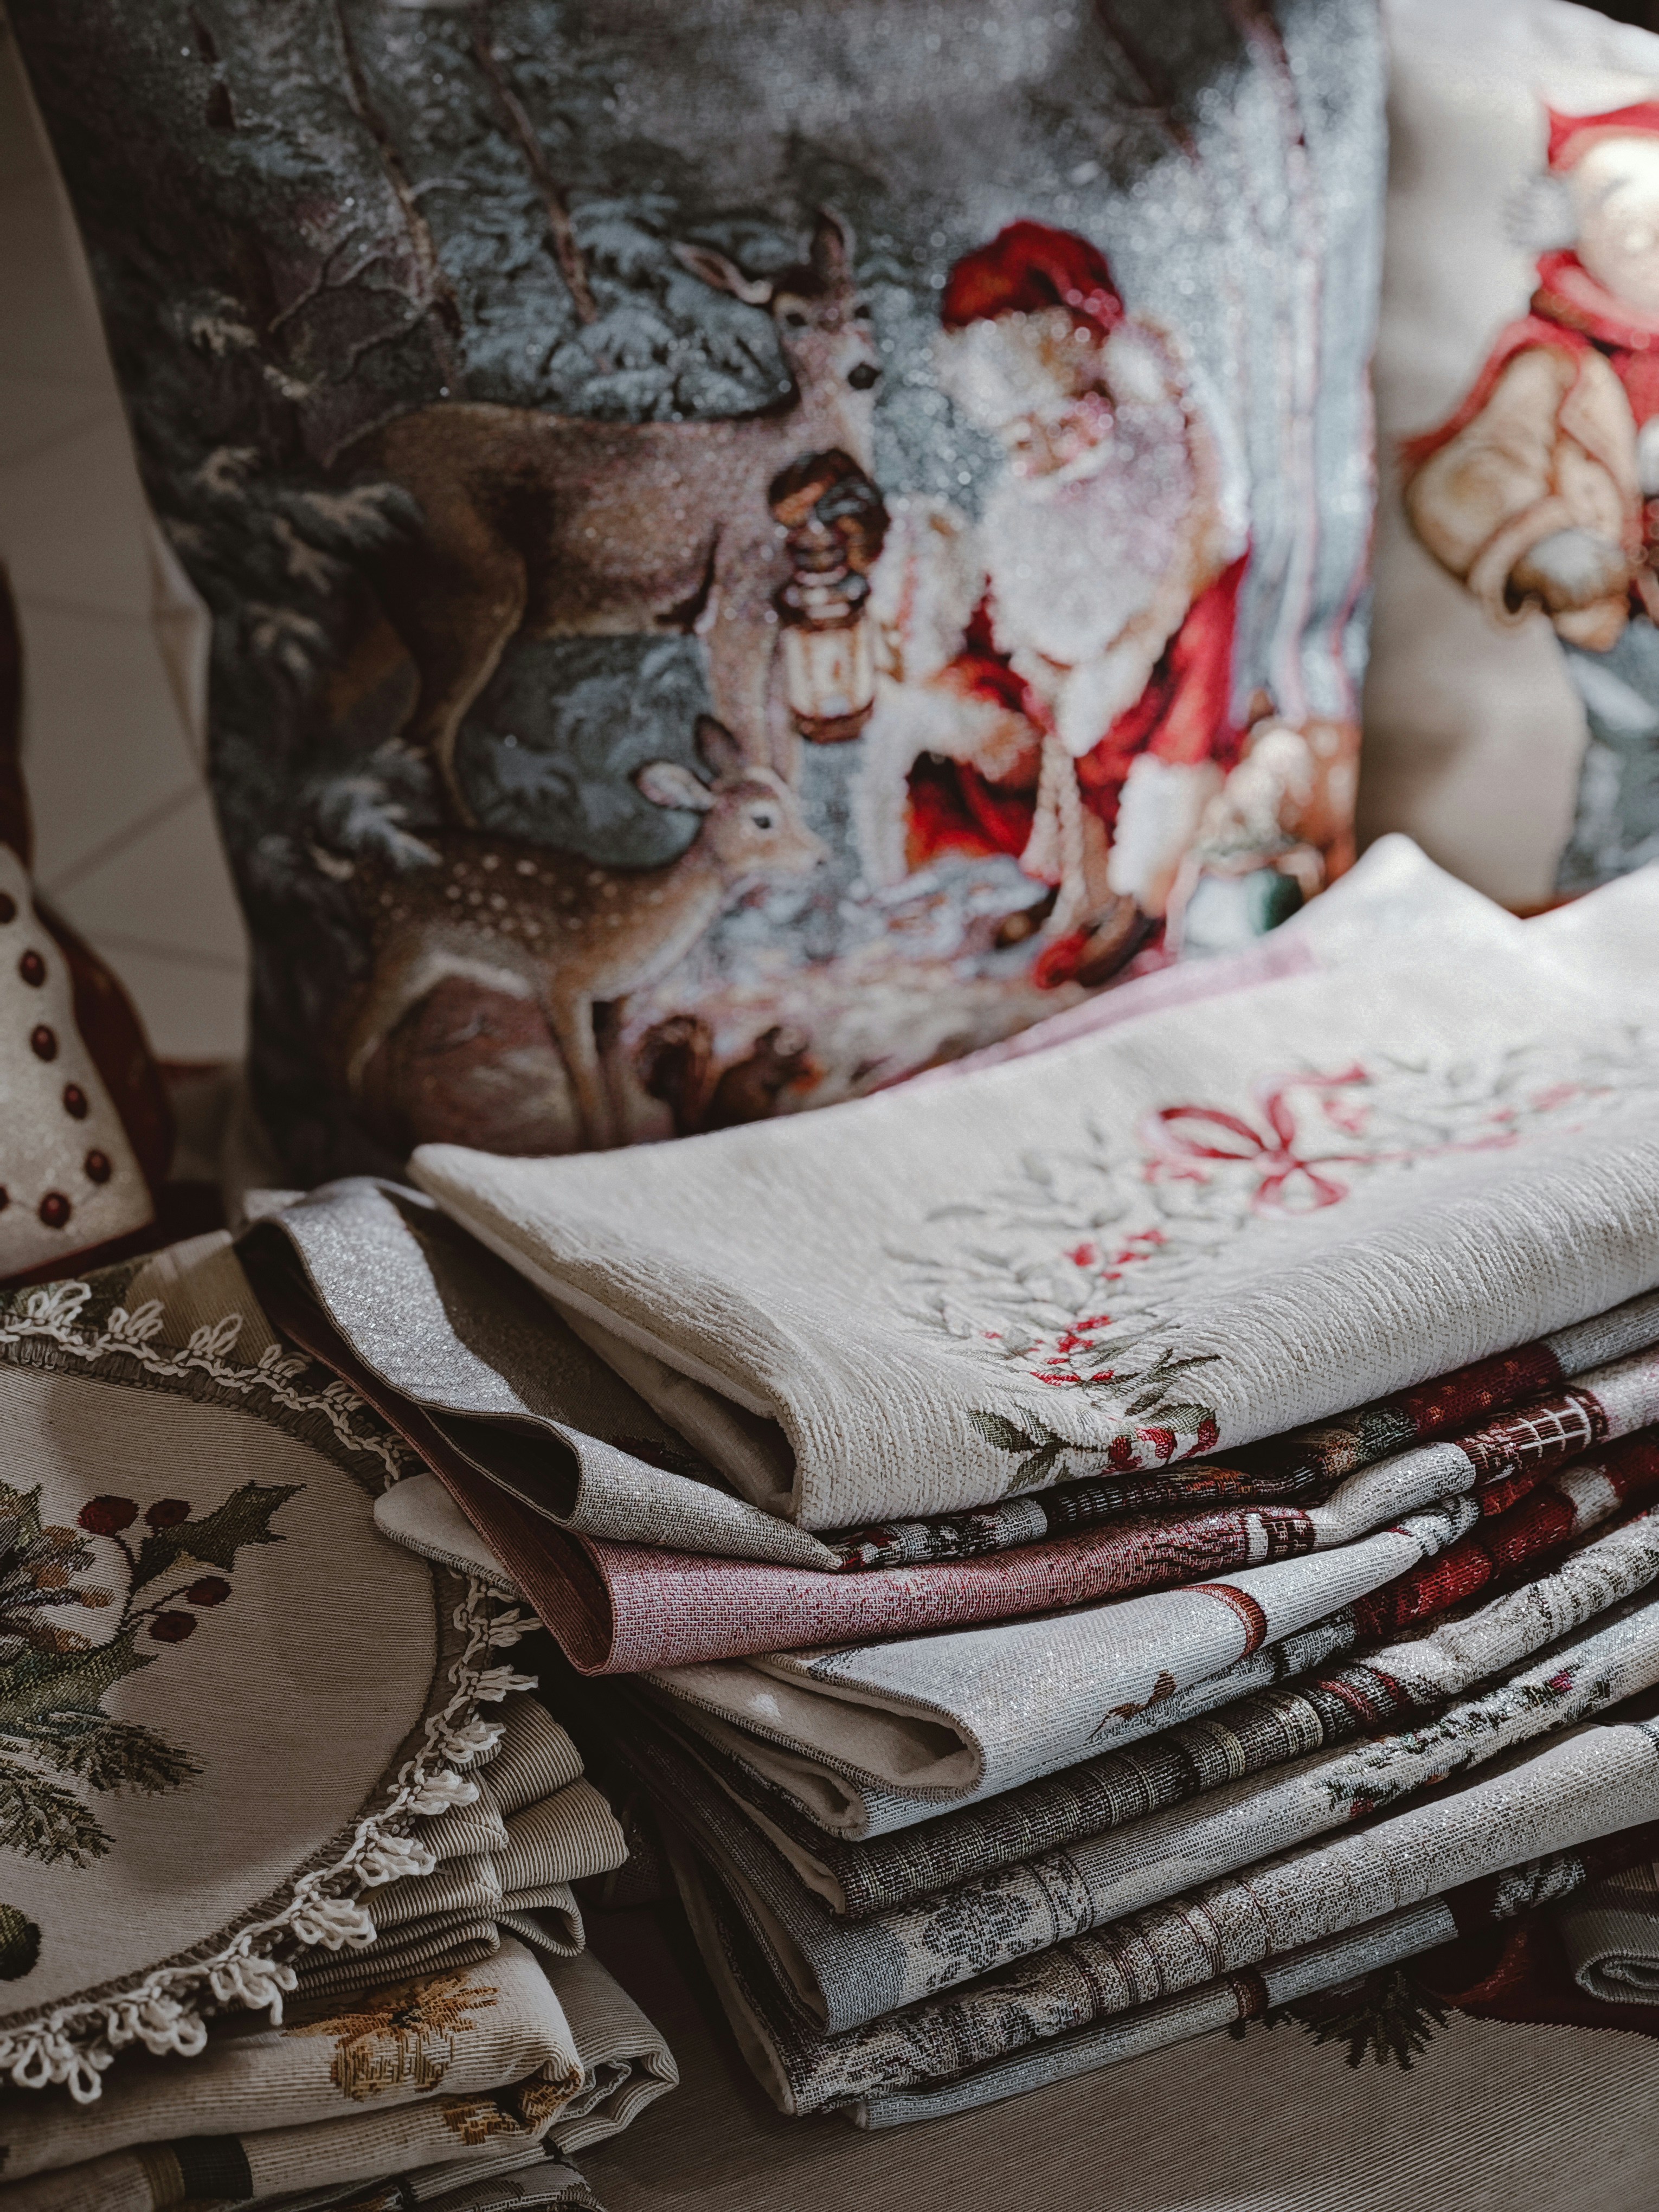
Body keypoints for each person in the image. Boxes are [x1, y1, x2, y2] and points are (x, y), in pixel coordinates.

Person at [1403, 102, 1659, 886]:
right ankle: (1607, 895)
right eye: (1623, 218)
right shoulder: (1553, 361)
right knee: (1633, 752)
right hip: (1621, 619)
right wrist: (1540, 541)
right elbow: (1471, 473)